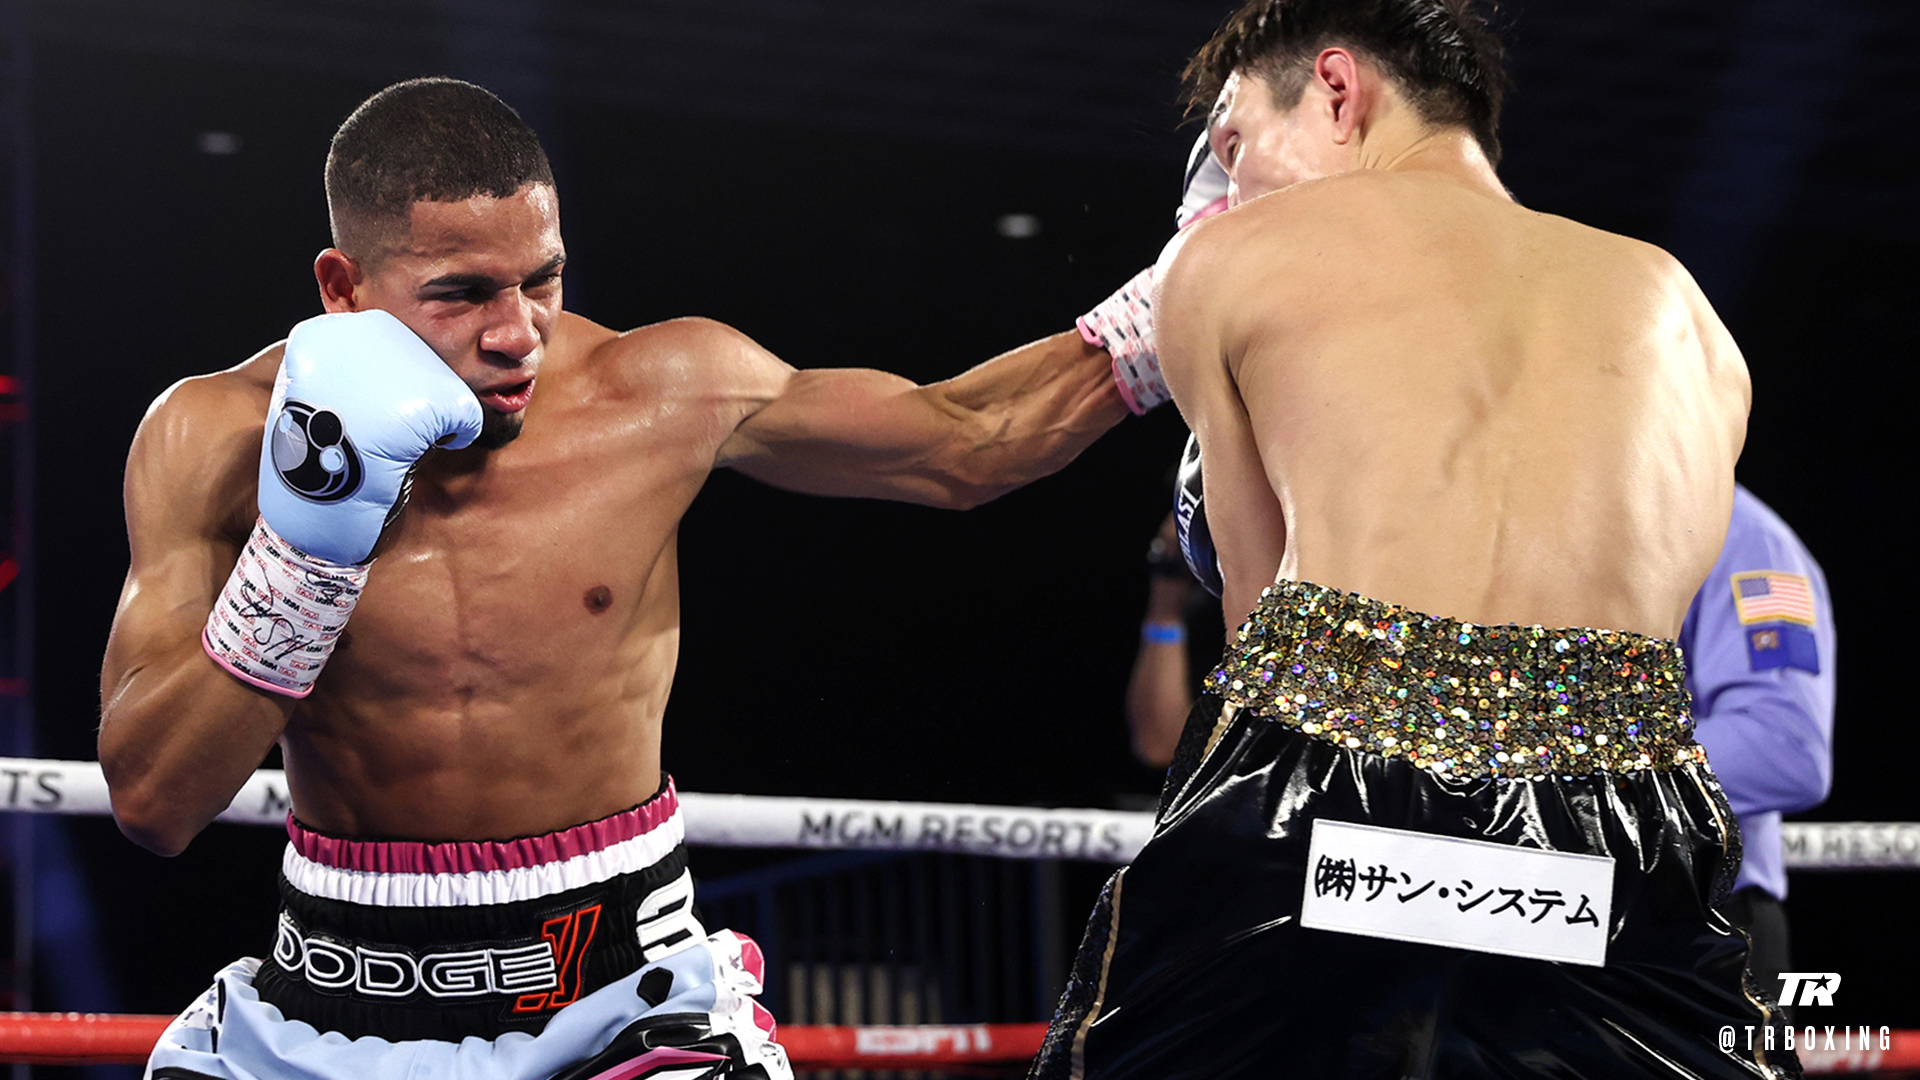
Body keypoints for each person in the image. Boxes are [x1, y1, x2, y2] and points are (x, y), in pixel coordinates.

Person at [97, 77, 1161, 1080]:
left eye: (542, 280)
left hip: (622, 992)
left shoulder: (661, 392)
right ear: (344, 286)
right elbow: (156, 800)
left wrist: (1187, 287)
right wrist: (308, 553)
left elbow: (965, 441)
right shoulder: (214, 438)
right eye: (460, 294)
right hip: (334, 996)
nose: (517, 334)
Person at [1029, 1, 1798, 1077]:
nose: (1229, 184)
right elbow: (1646, 614)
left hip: (1326, 754)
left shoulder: (1234, 257)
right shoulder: (1684, 310)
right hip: (1618, 791)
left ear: (1338, 90)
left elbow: (1261, 635)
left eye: (1236, 142)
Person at [1686, 485, 1836, 1006]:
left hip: (1703, 922)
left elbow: (1785, 745)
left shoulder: (1745, 537)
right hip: (1543, 909)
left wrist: (1562, 775)